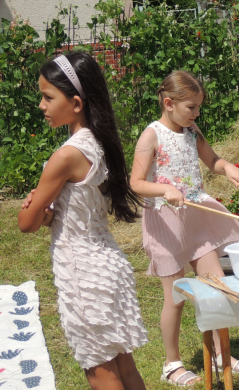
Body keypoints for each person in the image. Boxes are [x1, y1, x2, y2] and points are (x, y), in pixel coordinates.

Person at [18, 52, 148, 390]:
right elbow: (77, 210)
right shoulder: (101, 143)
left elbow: (26, 223)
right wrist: (50, 216)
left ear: (76, 103)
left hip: (82, 273)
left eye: (48, 97)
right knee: (124, 365)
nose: (42, 105)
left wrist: (32, 205)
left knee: (99, 371)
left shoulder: (66, 155)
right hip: (110, 264)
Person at [129, 71, 239, 386]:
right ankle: (171, 363)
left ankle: (220, 353)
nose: (197, 113)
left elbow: (212, 160)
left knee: (216, 286)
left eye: (198, 107)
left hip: (196, 216)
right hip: (166, 222)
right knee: (176, 296)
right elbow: (136, 182)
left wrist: (229, 169)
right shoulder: (151, 135)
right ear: (169, 104)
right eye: (191, 107)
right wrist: (164, 190)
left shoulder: (191, 131)